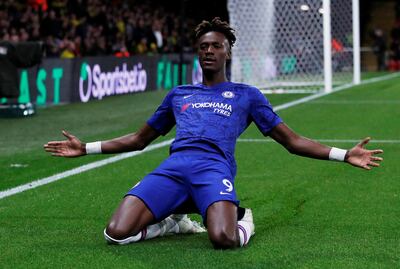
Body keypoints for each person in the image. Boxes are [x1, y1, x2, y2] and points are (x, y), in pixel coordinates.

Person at [44, 17, 383, 249]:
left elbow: (291, 141)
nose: (209, 50)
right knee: (115, 234)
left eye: (216, 45)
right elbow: (138, 139)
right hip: (175, 169)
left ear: (227, 51)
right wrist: (85, 147)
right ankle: (171, 223)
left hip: (213, 170)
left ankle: (242, 216)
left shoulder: (247, 95)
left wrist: (343, 154)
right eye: (204, 46)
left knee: (224, 239)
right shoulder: (179, 95)